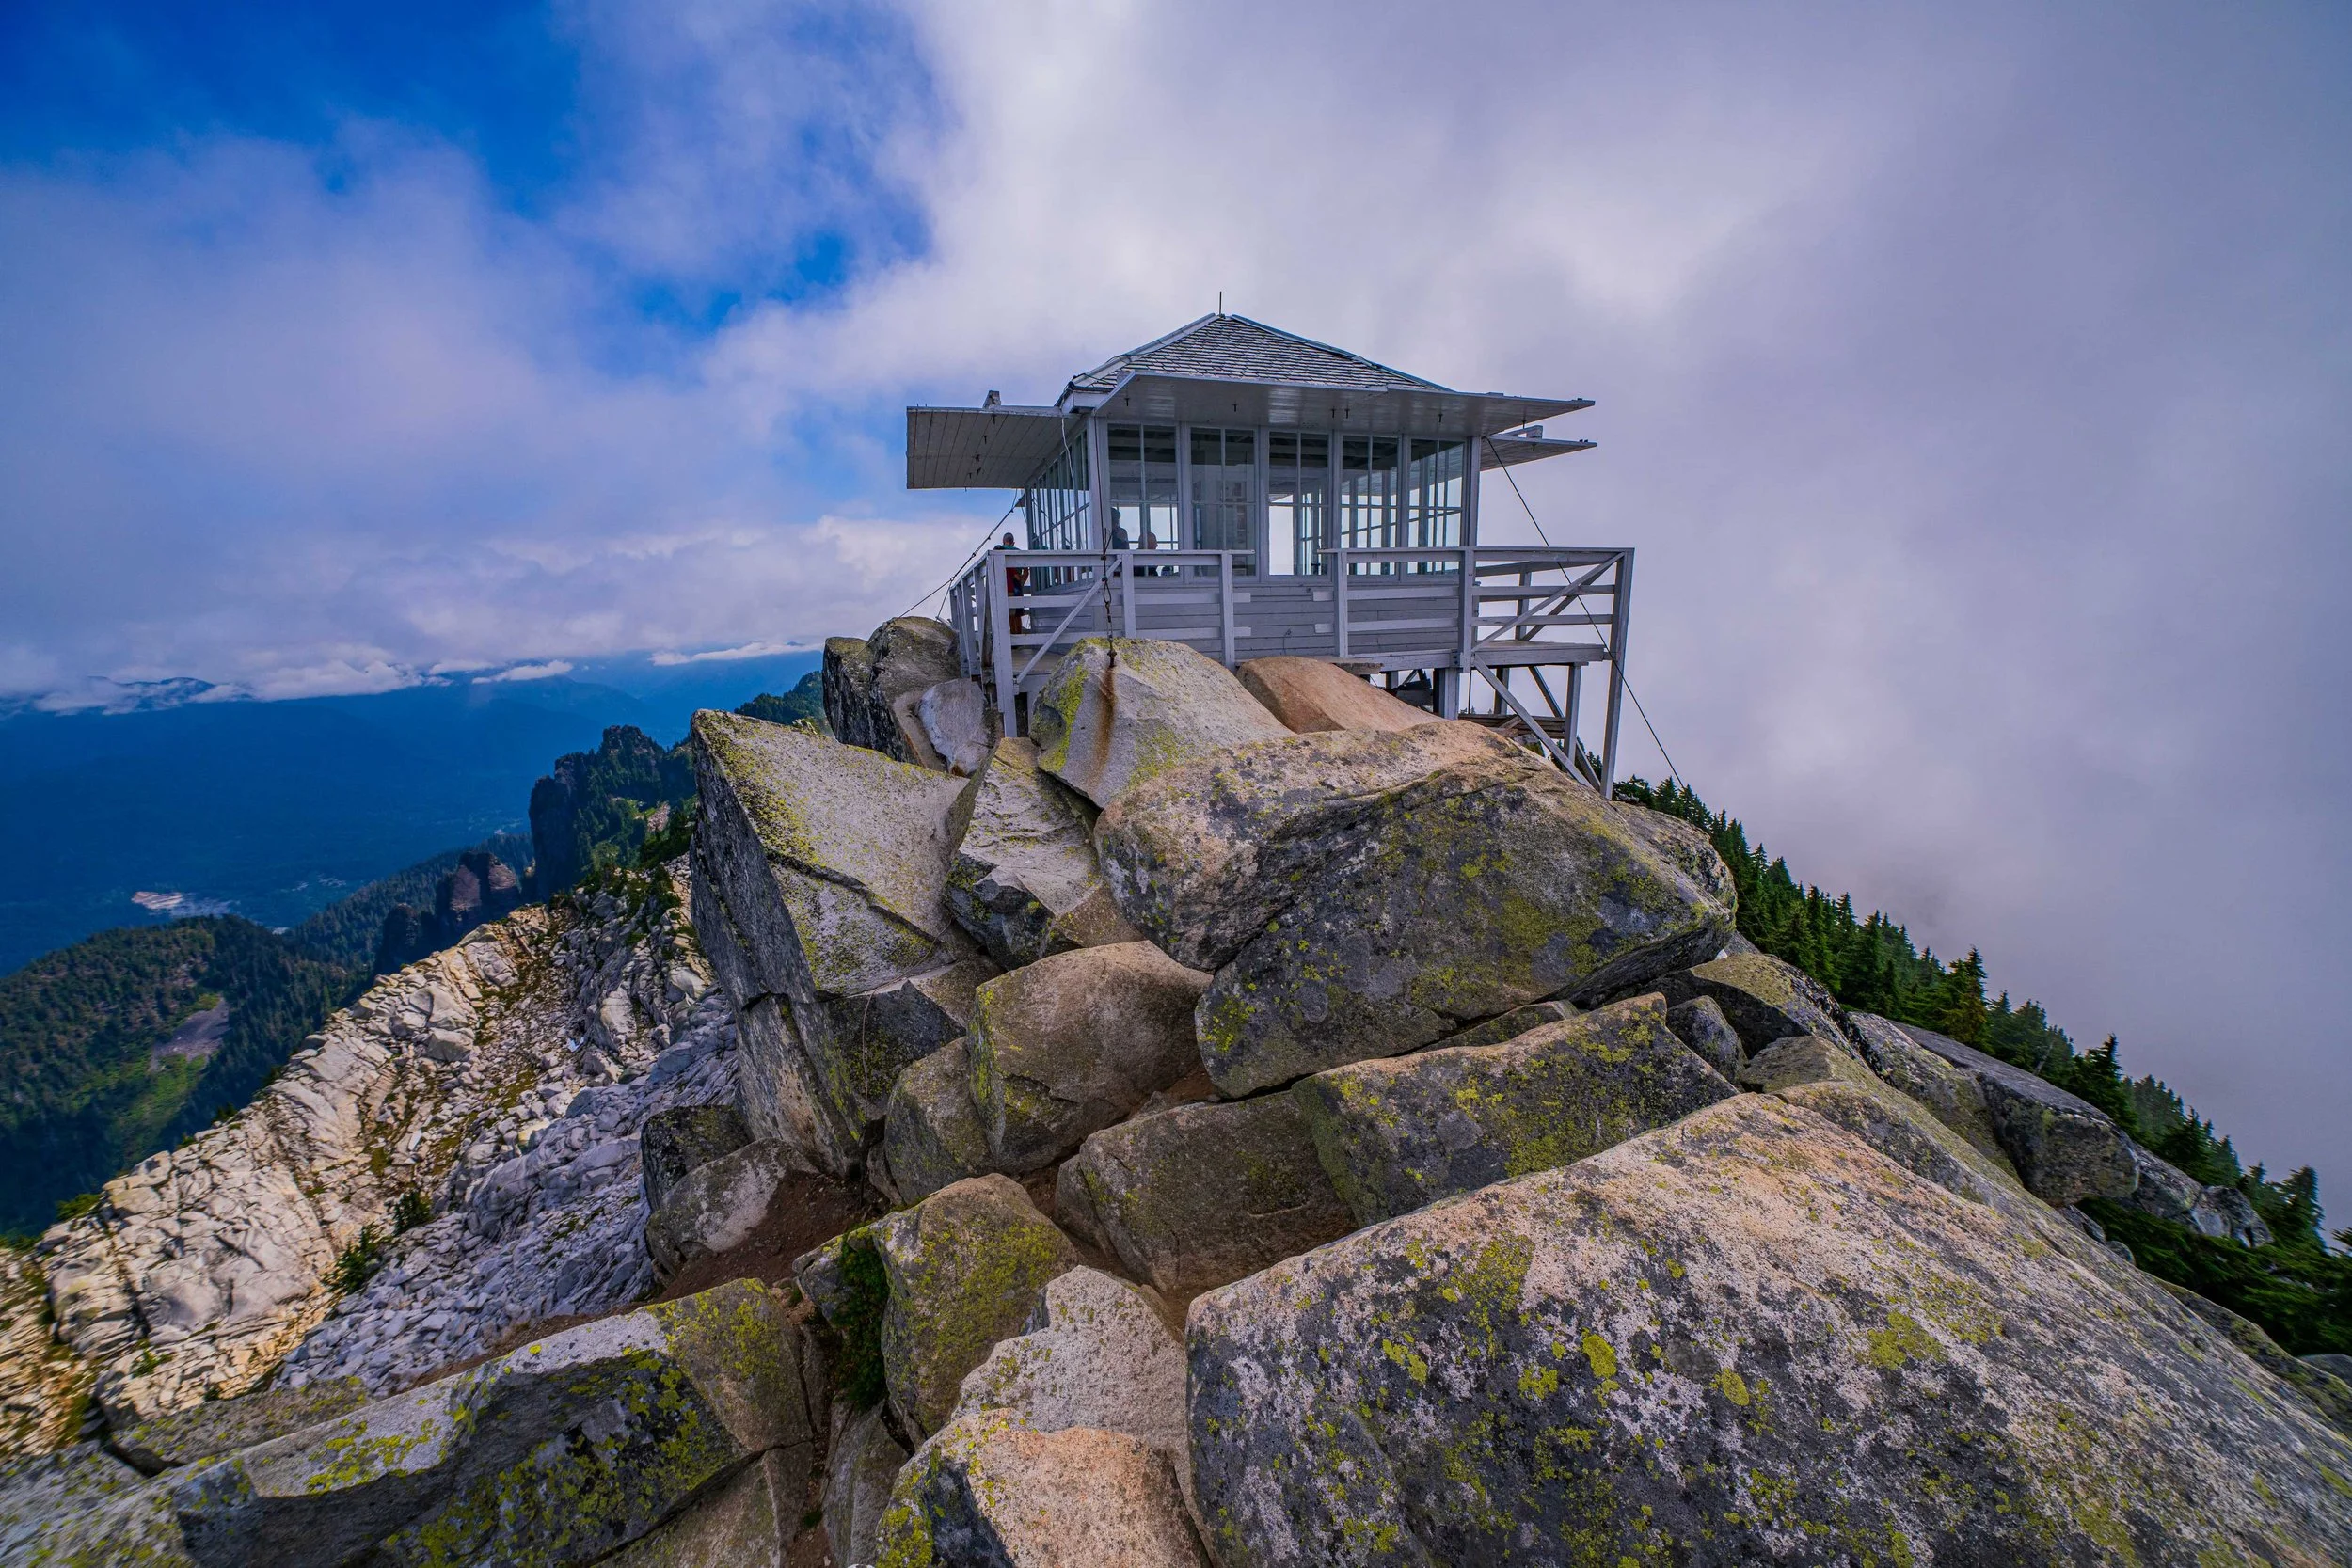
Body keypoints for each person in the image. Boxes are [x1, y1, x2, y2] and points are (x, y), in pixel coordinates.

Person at [1001, 532, 1028, 631]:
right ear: (1013, 542)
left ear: (1003, 541)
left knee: (1009, 614)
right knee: (1018, 614)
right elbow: (1026, 571)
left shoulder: (1001, 550)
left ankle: (1013, 640)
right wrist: (1022, 582)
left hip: (1005, 584)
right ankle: (1019, 637)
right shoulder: (1019, 552)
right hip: (1017, 584)